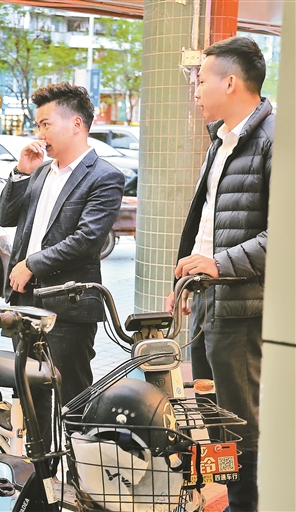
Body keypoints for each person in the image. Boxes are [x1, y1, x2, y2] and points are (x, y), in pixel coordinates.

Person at [167, 36, 272, 512]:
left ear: (230, 82)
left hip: (244, 306)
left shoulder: (274, 139)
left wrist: (217, 265)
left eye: (202, 79)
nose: (195, 88)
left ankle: (247, 506)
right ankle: (228, 500)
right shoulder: (221, 140)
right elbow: (207, 224)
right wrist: (185, 281)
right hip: (210, 300)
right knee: (211, 416)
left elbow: (284, 235)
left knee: (241, 423)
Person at [0, 82, 124, 444]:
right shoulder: (39, 171)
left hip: (68, 305)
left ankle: (79, 469)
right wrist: (21, 172)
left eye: (46, 124)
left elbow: (86, 241)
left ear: (77, 124)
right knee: (28, 397)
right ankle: (38, 471)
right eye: (38, 125)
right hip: (24, 303)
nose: (40, 134)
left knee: (72, 400)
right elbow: (5, 217)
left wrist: (31, 264)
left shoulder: (104, 176)